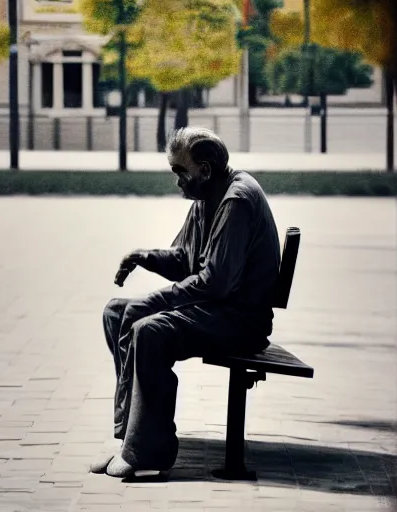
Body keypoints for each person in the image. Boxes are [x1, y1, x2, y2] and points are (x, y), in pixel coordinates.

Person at [91, 127, 281, 478]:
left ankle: (148, 449)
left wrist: (152, 303)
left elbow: (215, 282)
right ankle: (128, 438)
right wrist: (144, 257)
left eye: (181, 172)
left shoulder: (235, 200)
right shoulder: (207, 196)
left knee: (149, 330)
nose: (178, 181)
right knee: (116, 313)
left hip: (241, 321)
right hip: (219, 310)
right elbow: (184, 259)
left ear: (204, 170)